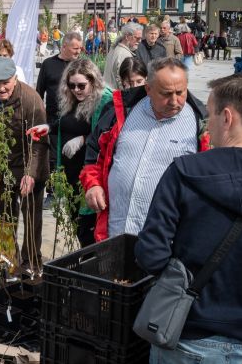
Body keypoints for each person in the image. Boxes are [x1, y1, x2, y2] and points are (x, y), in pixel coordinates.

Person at [135, 74, 242, 364]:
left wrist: (181, 282)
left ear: (227, 117)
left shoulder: (184, 172)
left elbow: (150, 253)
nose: (206, 124)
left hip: (186, 334)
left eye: (210, 113)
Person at [81, 57, 209, 242]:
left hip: (164, 243)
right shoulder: (121, 110)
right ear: (148, 89)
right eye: (166, 94)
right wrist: (93, 185)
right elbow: (94, 152)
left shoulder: (201, 125)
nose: (174, 101)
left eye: (180, 92)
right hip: (113, 231)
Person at [26, 59, 113, 247]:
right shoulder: (72, 99)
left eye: (81, 85)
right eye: (72, 85)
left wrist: (83, 138)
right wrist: (48, 127)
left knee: (87, 230)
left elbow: (107, 134)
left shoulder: (105, 100)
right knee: (76, 225)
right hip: (71, 174)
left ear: (93, 81)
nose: (76, 90)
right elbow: (67, 123)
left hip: (90, 176)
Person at [0, 57, 50, 270]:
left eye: (5, 83)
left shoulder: (31, 100)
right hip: (3, 168)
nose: (1, 88)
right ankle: (9, 259)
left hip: (30, 166)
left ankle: (31, 263)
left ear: (15, 78)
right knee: (4, 217)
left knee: (31, 218)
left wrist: (30, 174)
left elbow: (39, 143)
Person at [36, 31, 83, 208]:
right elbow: (39, 91)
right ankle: (52, 192)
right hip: (53, 118)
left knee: (72, 154)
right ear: (64, 46)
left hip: (75, 117)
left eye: (79, 48)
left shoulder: (80, 66)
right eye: (74, 48)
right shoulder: (49, 64)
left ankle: (72, 192)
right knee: (52, 157)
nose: (78, 52)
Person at [103, 22, 143, 89]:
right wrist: (124, 98)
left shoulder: (115, 48)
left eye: (141, 38)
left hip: (109, 94)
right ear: (127, 37)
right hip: (115, 95)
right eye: (137, 38)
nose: (139, 41)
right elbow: (122, 82)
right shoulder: (124, 54)